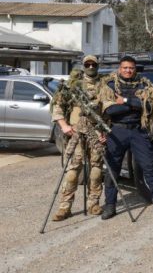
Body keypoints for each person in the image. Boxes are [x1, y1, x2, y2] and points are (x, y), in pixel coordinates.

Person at [100, 56, 153, 219]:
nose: (128, 70)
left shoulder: (144, 85)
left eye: (131, 68)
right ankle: (110, 205)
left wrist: (124, 101)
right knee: (113, 169)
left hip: (138, 131)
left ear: (135, 69)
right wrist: (134, 105)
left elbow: (147, 106)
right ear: (120, 68)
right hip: (117, 130)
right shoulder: (110, 85)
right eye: (125, 68)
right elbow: (109, 111)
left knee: (148, 166)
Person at [50, 55, 107, 221]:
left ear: (97, 65)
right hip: (76, 131)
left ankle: (93, 203)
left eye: (93, 64)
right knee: (73, 171)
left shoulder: (105, 84)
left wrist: (106, 132)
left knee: (96, 169)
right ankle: (64, 207)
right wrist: (64, 126)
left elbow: (110, 108)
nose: (90, 66)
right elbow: (58, 105)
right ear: (83, 65)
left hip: (96, 132)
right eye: (87, 64)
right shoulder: (72, 84)